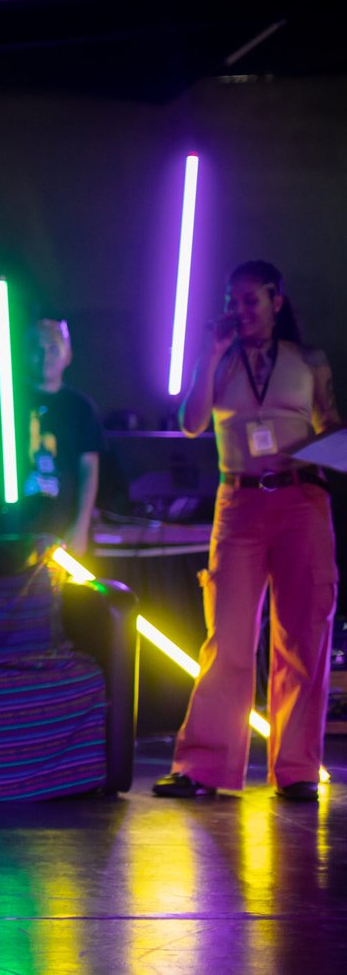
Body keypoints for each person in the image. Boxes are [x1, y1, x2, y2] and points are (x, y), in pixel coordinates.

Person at [154, 260, 339, 802]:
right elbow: (191, 422)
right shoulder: (221, 360)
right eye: (232, 301)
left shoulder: (308, 360)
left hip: (301, 499)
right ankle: (203, 766)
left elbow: (331, 424)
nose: (240, 310)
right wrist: (210, 354)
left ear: (276, 301)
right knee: (228, 636)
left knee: (303, 634)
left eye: (250, 300)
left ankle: (298, 770)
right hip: (239, 502)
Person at [2, 319, 103, 552]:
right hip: (15, 525)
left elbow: (89, 469)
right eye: (37, 349)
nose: (45, 356)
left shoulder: (80, 407)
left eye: (53, 349)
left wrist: (81, 527)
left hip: (63, 525)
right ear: (26, 354)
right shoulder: (9, 401)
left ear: (68, 356)